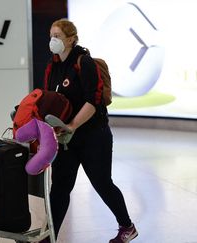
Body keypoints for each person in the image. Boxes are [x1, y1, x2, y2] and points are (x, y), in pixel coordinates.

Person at [42, 18, 138, 243]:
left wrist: (72, 125)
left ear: (71, 39)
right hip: (66, 139)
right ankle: (49, 236)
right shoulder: (52, 66)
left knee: (102, 183)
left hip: (93, 135)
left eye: (57, 36)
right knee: (60, 188)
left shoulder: (83, 62)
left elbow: (93, 102)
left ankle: (127, 226)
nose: (52, 41)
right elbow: (50, 99)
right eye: (51, 36)